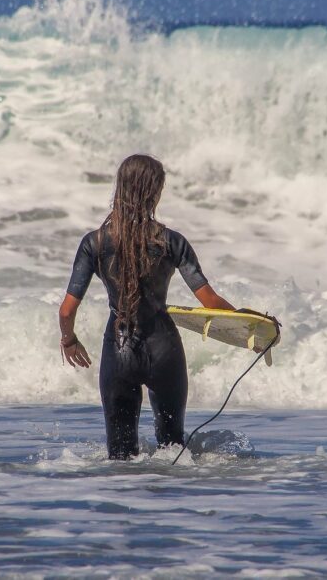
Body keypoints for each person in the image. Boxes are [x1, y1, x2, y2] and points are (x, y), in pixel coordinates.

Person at [58, 154, 239, 460]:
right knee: (173, 451)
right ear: (154, 192)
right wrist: (247, 322)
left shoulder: (94, 242)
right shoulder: (171, 241)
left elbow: (66, 310)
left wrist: (69, 339)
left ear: (120, 189)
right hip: (165, 350)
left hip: (119, 350)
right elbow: (209, 301)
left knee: (120, 457)